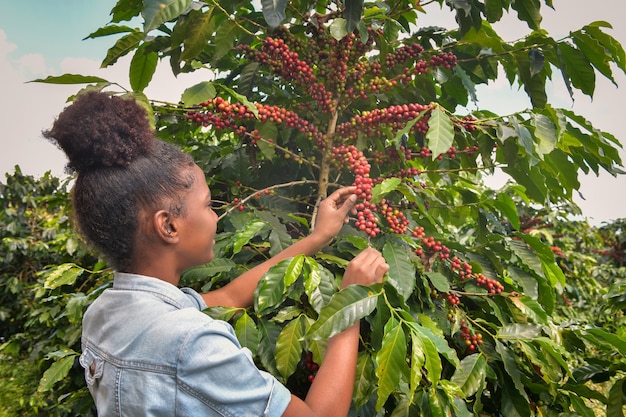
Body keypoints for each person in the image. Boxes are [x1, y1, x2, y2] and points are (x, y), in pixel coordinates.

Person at [43, 91, 389, 417]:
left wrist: (318, 237)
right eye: (209, 205)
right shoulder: (193, 344)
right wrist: (349, 305)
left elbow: (228, 296)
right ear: (169, 227)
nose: (216, 215)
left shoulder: (104, 312)